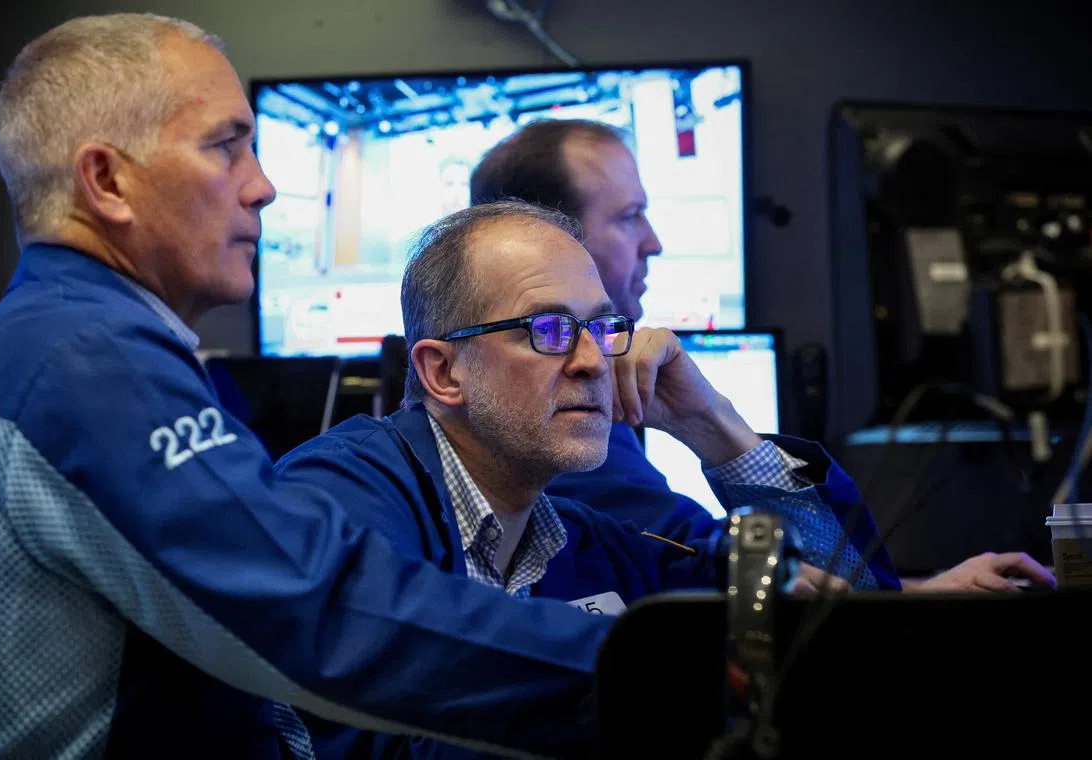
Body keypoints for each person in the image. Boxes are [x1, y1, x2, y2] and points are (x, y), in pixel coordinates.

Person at [0, 15, 639, 759]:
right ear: (108, 181)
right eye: (225, 146)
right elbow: (323, 612)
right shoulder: (89, 360)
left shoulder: (43, 341)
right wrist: (655, 667)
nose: (264, 188)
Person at [274, 200, 852, 758]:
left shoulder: (576, 537)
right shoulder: (337, 501)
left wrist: (714, 425)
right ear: (443, 371)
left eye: (603, 330)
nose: (594, 361)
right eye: (548, 330)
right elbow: (386, 744)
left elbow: (846, 618)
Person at [469, 118, 1055, 593]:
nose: (654, 241)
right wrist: (713, 424)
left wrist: (911, 595)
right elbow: (746, 580)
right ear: (548, 239)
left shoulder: (580, 400)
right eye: (628, 217)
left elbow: (772, 582)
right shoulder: (545, 414)